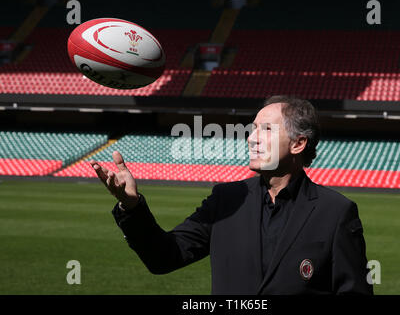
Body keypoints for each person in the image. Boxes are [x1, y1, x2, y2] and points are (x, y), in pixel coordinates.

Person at [91, 95, 373, 295]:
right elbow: (165, 257)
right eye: (252, 130)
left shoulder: (335, 211)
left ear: (299, 143)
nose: (252, 138)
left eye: (266, 130)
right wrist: (132, 207)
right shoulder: (226, 200)